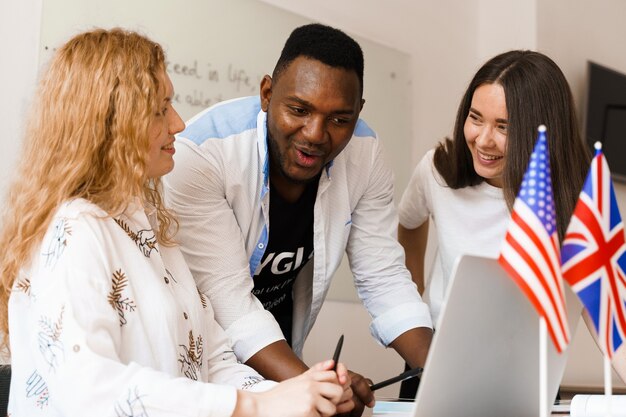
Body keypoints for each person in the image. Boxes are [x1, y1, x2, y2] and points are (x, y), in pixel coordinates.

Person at [0, 28, 353, 417]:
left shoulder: (153, 230)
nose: (179, 123)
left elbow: (213, 360)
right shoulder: (73, 230)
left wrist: (303, 395)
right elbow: (89, 389)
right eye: (160, 109)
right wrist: (256, 404)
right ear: (110, 122)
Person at [163, 23, 433, 414]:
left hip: (278, 355)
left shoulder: (366, 153)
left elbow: (384, 277)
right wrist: (315, 387)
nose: (315, 133)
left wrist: (442, 368)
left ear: (358, 112)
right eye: (299, 110)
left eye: (340, 119)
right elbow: (231, 304)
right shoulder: (202, 156)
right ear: (267, 94)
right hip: (204, 364)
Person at [396, 49, 626, 398]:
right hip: (436, 360)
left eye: (504, 127)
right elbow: (409, 223)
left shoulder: (575, 196)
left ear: (542, 131)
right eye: (475, 118)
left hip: (524, 371)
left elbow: (602, 303)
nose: (483, 139)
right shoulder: (438, 169)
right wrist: (414, 298)